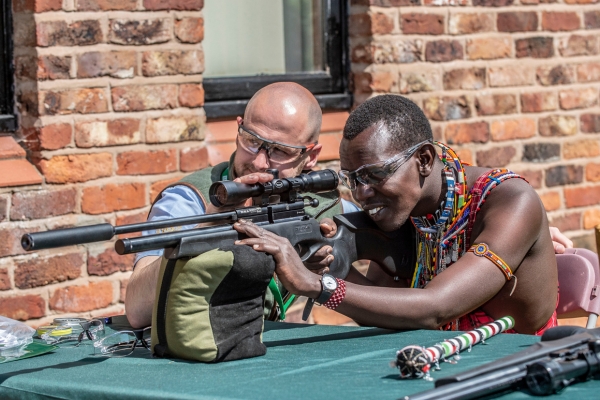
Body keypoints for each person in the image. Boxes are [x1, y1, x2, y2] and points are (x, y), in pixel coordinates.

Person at [233, 94, 565, 335]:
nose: (362, 193)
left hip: (522, 366)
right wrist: (330, 264)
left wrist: (318, 285)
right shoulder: (405, 213)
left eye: (375, 174)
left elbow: (436, 307)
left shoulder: (509, 200)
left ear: (423, 159)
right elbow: (391, 312)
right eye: (353, 179)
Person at [125, 82, 359, 328]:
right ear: (239, 128)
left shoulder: (323, 205)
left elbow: (384, 261)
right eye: (251, 140)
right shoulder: (189, 201)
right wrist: (204, 230)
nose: (259, 162)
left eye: (279, 151)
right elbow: (137, 311)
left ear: (310, 157)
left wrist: (327, 266)